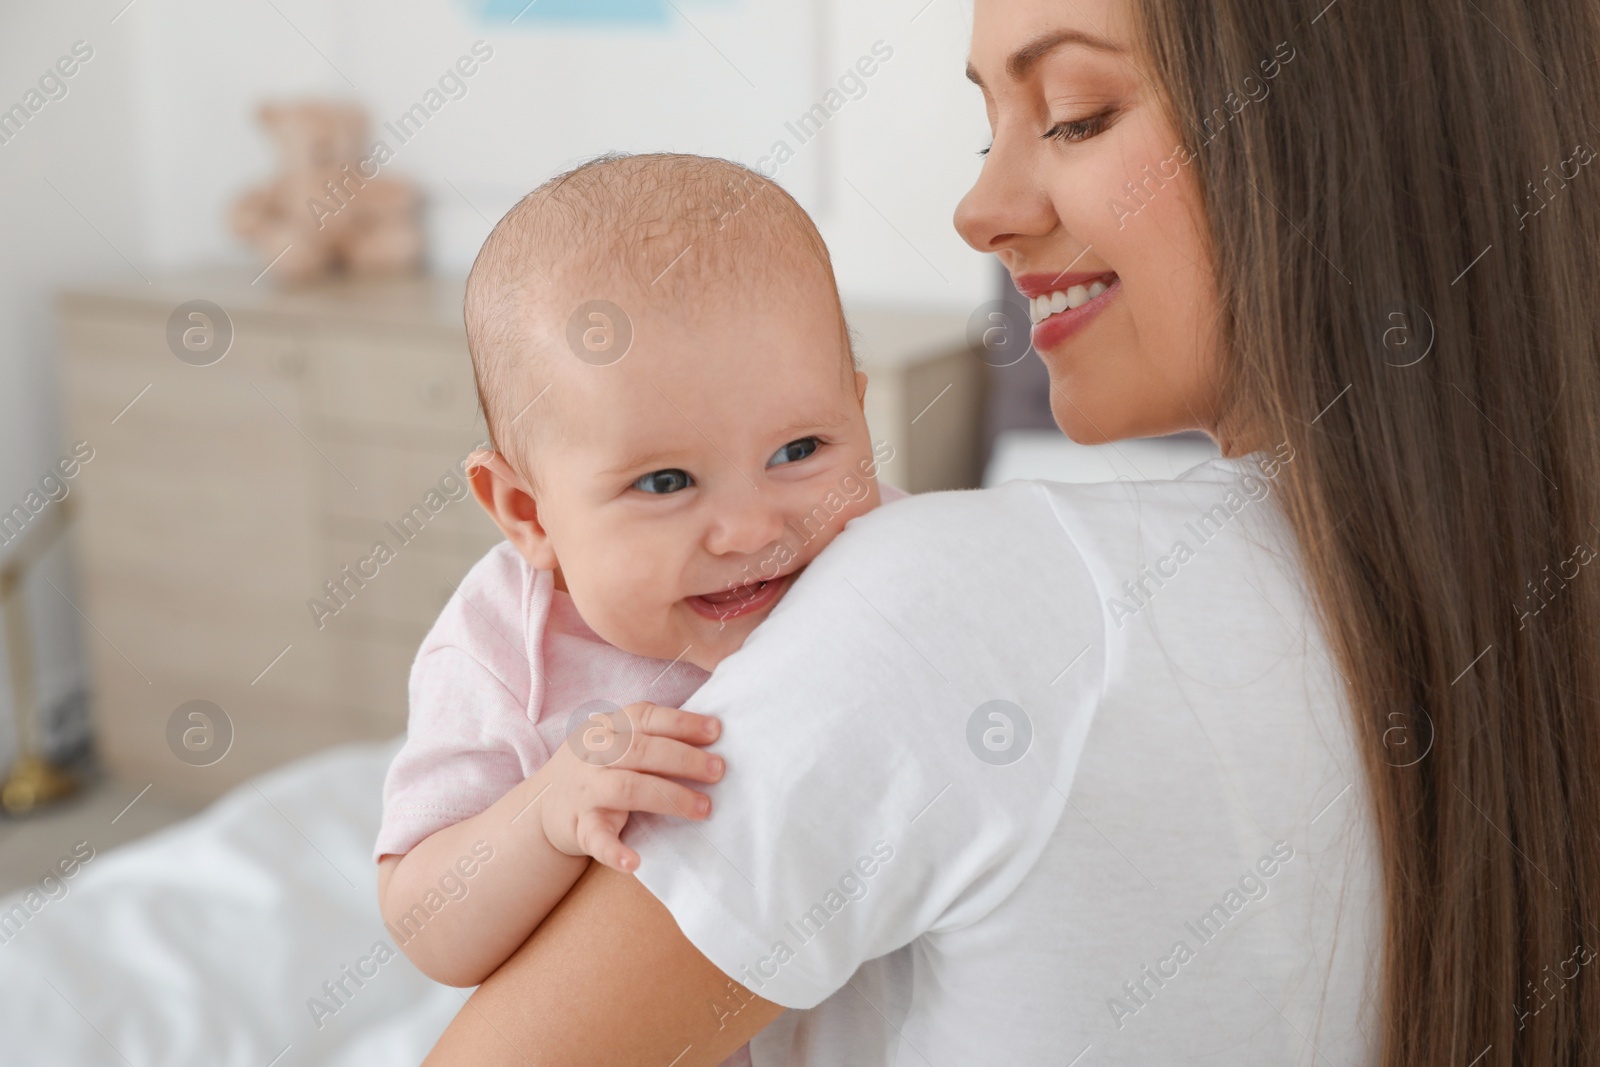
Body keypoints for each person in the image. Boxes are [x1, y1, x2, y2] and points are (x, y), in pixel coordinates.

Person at [426, 0, 1600, 1063]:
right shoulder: (1529, 603)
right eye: (986, 131)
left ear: (1344, 127)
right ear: (524, 510)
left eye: (1077, 117)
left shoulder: (961, 601)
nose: (980, 211)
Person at [374, 153, 906, 1067]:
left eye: (801, 449)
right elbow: (428, 926)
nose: (748, 528)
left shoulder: (891, 557)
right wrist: (545, 811)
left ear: (859, 414)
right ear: (528, 512)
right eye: (666, 481)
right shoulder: (504, 647)